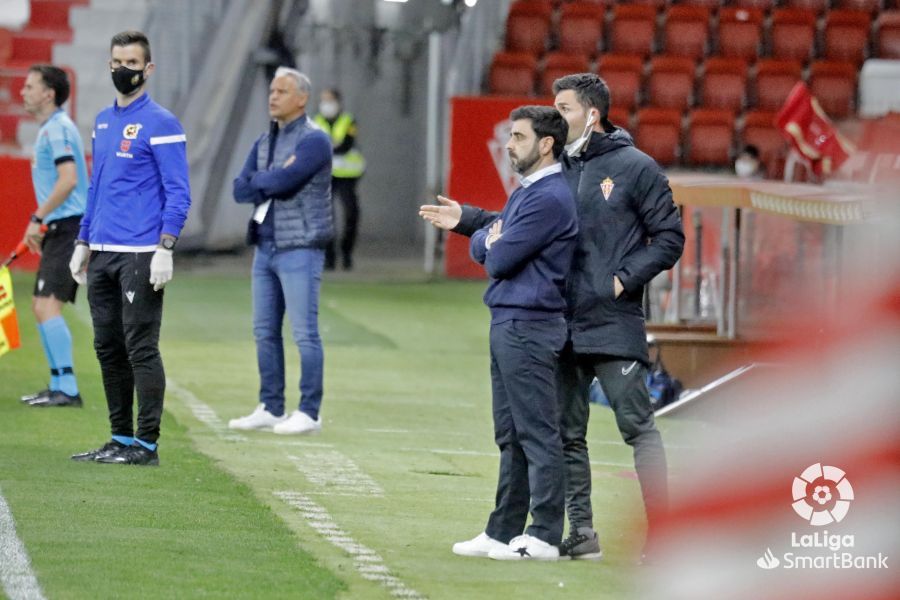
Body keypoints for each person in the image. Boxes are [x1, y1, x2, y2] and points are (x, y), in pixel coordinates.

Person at [421, 73, 685, 562]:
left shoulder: (637, 167)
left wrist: (623, 279)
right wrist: (470, 220)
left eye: (563, 108)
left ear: (592, 114)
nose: (556, 116)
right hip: (559, 321)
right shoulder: (555, 166)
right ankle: (581, 532)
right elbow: (519, 226)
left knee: (637, 427)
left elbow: (670, 237)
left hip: (612, 321)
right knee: (566, 434)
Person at [451, 105, 577, 561]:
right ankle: (503, 529)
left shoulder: (548, 197)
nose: (509, 144)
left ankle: (543, 533)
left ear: (546, 144)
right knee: (510, 434)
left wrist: (487, 241)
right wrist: (487, 232)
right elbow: (496, 239)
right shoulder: (529, 192)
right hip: (510, 320)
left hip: (529, 324)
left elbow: (500, 259)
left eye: (519, 137)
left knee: (537, 434)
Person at [68, 30, 191, 466]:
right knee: (107, 346)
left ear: (148, 69)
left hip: (140, 252)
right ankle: (120, 438)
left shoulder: (162, 122)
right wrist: (83, 240)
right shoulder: (102, 121)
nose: (123, 70)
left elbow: (178, 192)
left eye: (132, 64)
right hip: (101, 249)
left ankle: (147, 445)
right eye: (117, 62)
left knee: (140, 345)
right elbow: (98, 185)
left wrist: (166, 246)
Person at [228, 67, 333, 436]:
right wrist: (266, 180)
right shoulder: (264, 140)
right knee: (264, 331)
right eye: (272, 90)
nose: (273, 96)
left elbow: (286, 180)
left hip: (299, 245)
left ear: (302, 98)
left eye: (282, 91)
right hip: (265, 246)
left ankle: (309, 410)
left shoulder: (314, 140)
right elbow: (240, 189)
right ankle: (271, 406)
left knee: (304, 333)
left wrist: (266, 180)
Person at [17, 64, 89, 408]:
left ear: (49, 93)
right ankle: (59, 384)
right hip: (60, 228)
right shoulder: (52, 128)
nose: (22, 91)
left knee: (48, 306)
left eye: (30, 86)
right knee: (39, 305)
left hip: (70, 227)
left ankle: (69, 388)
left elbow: (69, 179)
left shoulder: (58, 130)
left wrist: (37, 217)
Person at [314, 88, 364, 271]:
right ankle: (329, 257)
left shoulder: (348, 120)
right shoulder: (316, 121)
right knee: (326, 217)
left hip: (348, 176)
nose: (326, 104)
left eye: (330, 100)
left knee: (351, 213)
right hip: (324, 175)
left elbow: (345, 145)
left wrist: (327, 146)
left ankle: (346, 252)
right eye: (323, 100)